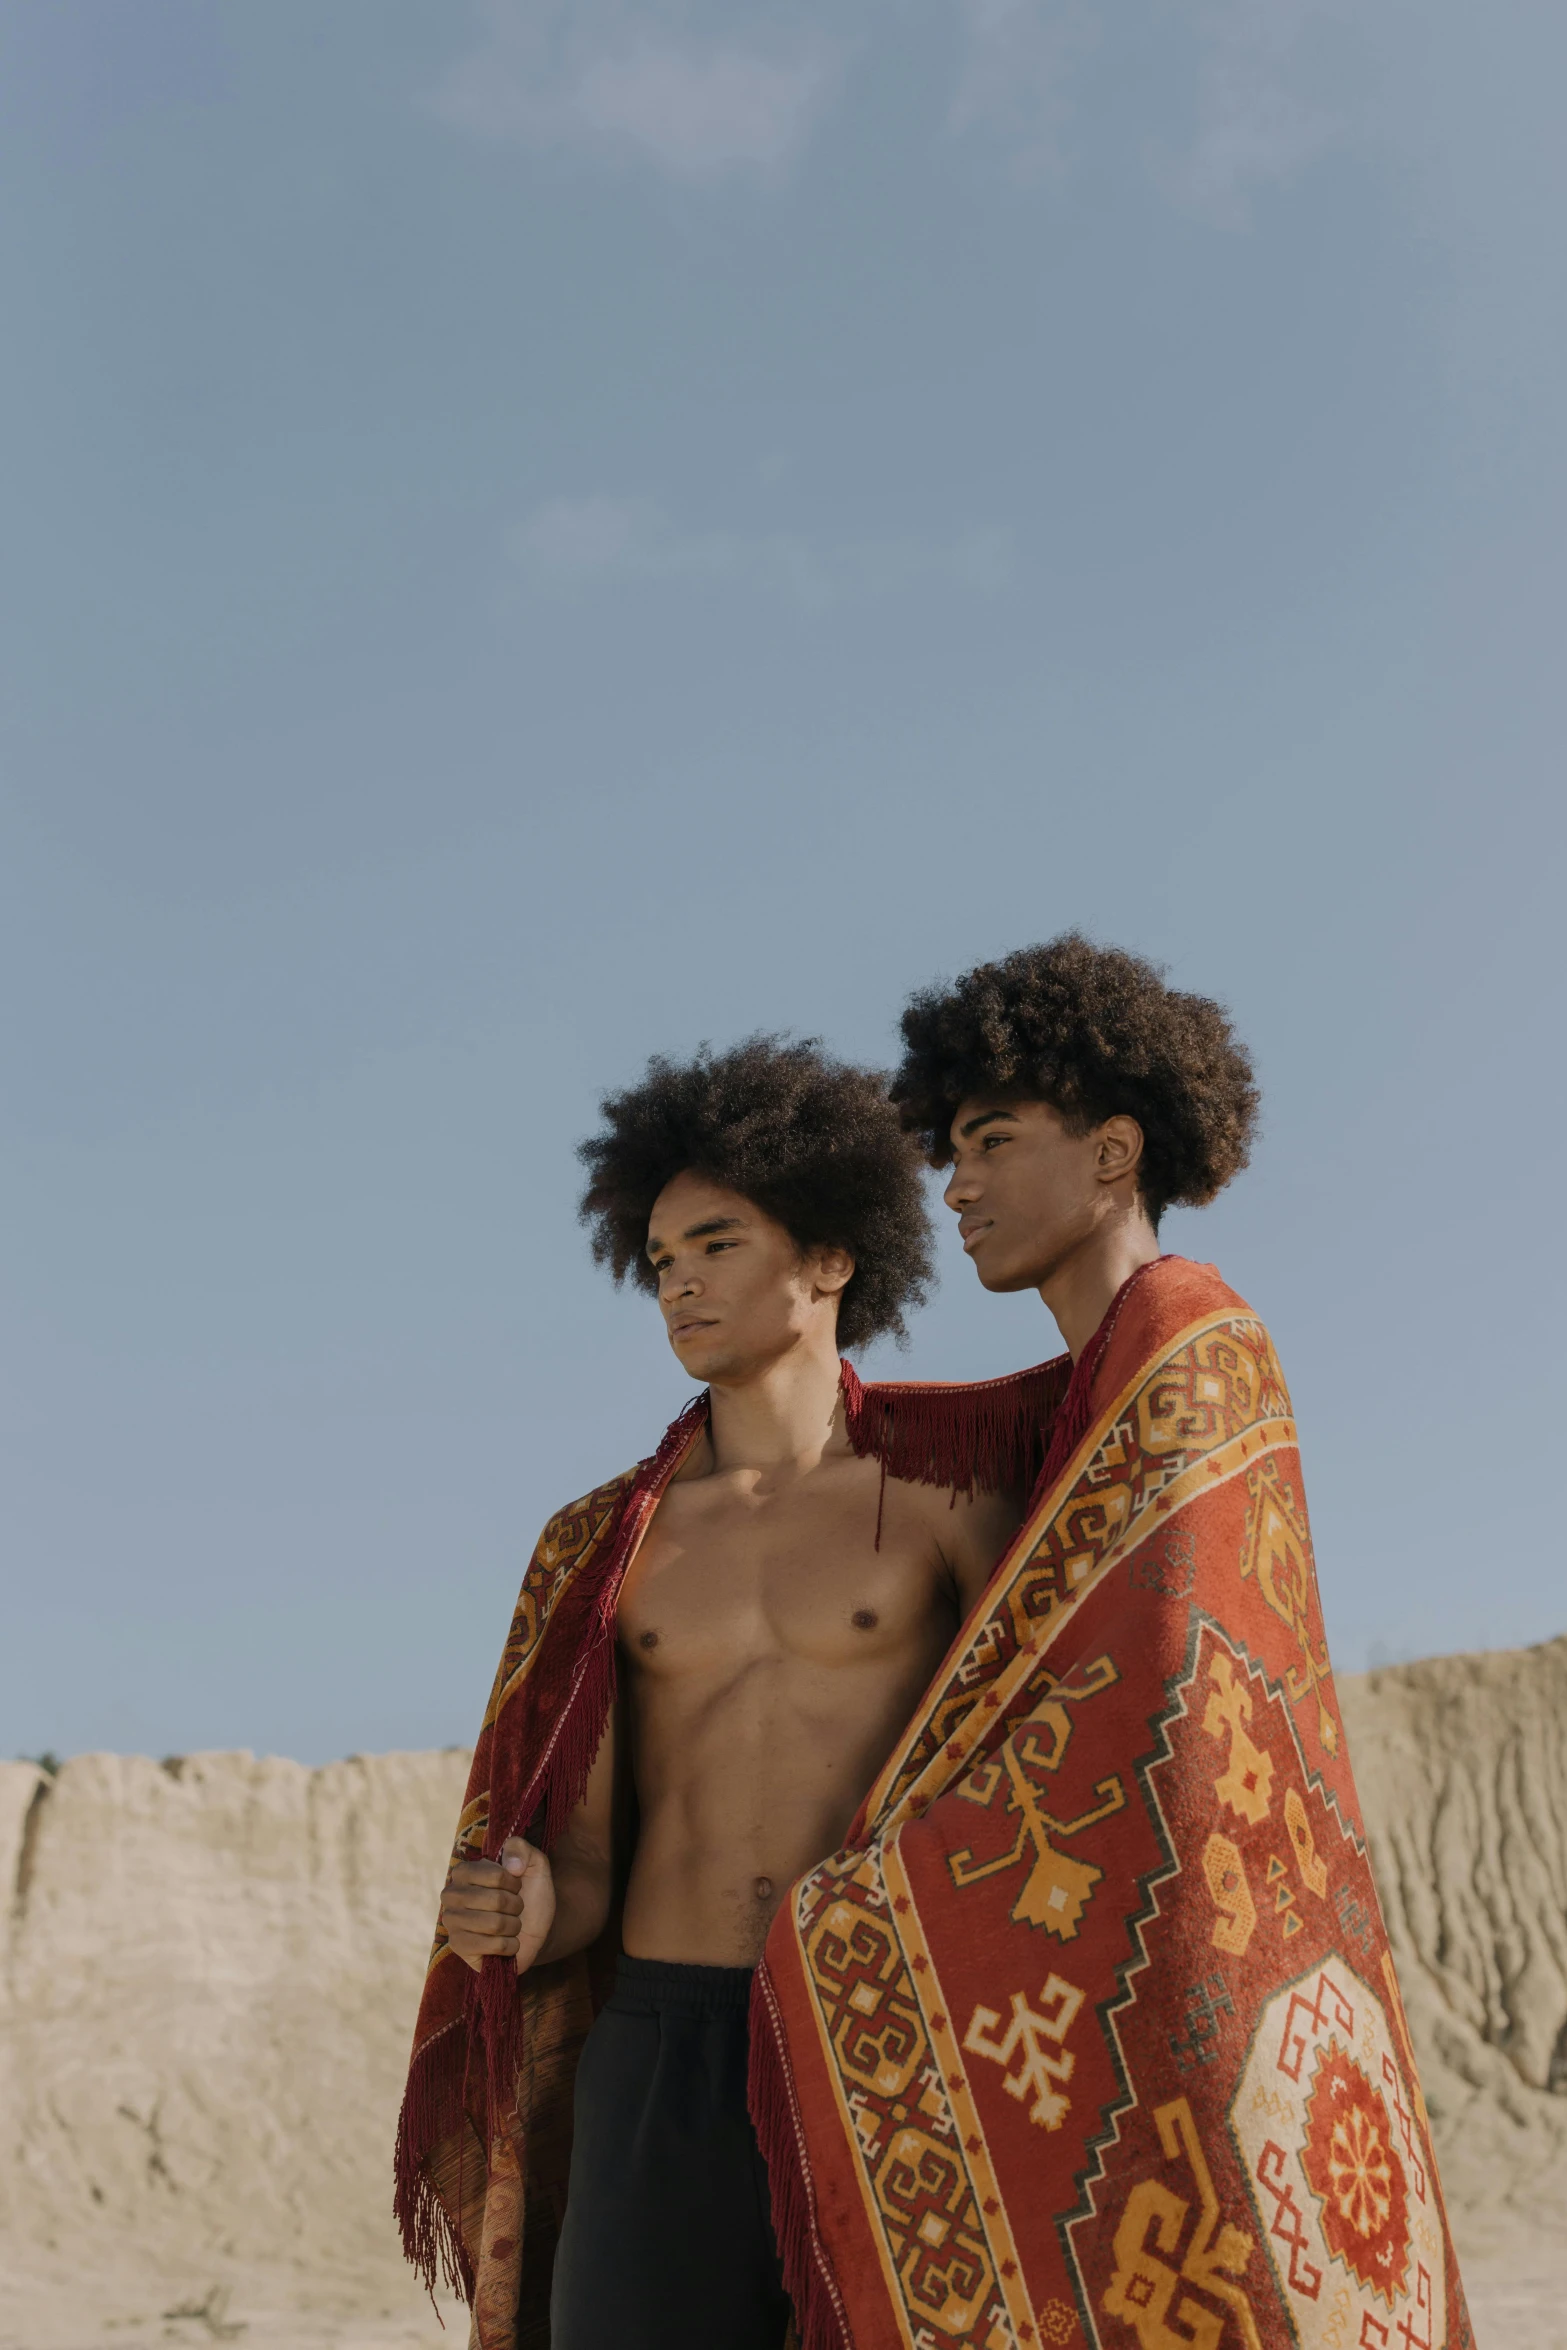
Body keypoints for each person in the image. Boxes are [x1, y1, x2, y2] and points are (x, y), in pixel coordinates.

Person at [750, 936, 1473, 2350]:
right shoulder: (1074, 1390)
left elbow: (1144, 1683)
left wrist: (875, 1877)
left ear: (1111, 1154)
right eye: (946, 1149)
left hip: (1210, 1965)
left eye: (992, 1140)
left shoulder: (1190, 1342)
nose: (953, 1185)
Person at [395, 1037, 1052, 2350]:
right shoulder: (609, 1545)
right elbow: (581, 1858)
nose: (678, 1285)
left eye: (715, 1245)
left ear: (827, 1256)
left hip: (876, 2041)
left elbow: (1032, 1757)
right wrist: (526, 1905)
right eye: (659, 1263)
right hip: (662, 2039)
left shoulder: (949, 1501)